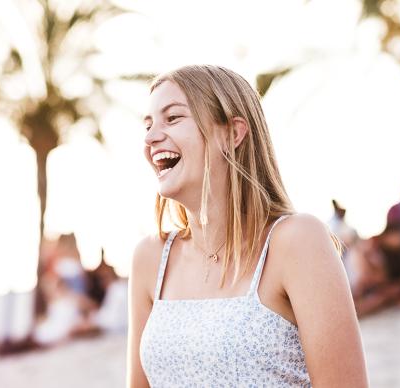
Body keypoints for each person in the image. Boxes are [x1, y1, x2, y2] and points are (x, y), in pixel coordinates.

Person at [127, 65, 367, 387]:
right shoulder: (151, 259)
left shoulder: (296, 243)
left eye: (172, 118)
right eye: (148, 125)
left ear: (232, 133)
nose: (151, 137)